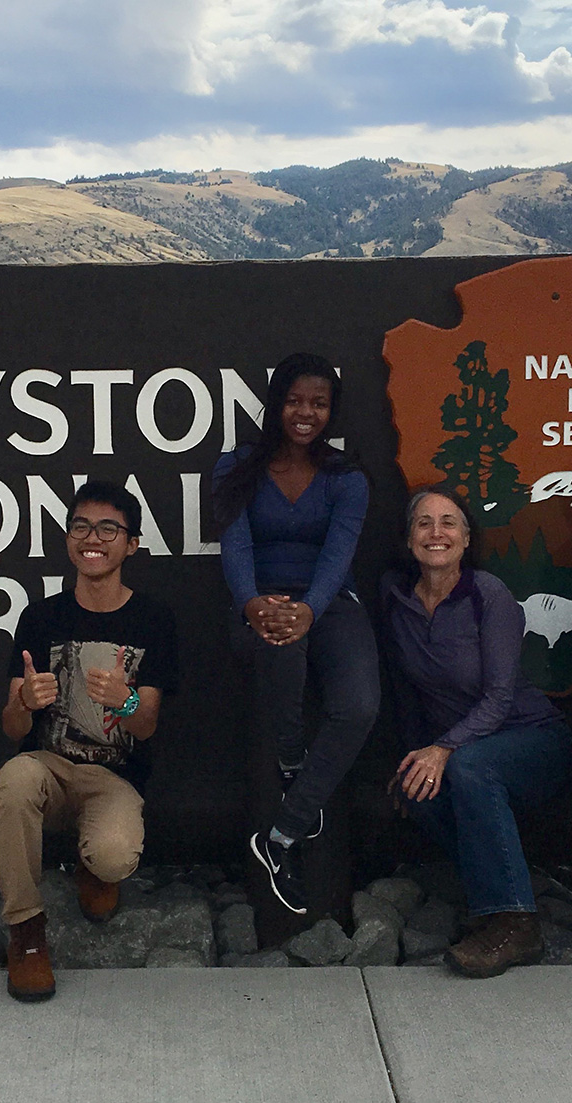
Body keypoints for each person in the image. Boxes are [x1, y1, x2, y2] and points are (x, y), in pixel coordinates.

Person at [0, 481, 179, 1002]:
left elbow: (146, 725)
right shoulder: (40, 617)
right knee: (13, 780)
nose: (91, 538)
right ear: (69, 538)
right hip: (48, 767)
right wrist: (23, 702)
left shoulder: (154, 619)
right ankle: (27, 932)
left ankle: (92, 865)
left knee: (115, 857)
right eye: (80, 526)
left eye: (107, 528)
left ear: (131, 544)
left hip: (113, 778)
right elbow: (12, 730)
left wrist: (123, 701)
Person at [381, 485, 572, 976]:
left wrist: (442, 750)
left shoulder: (488, 595)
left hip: (533, 739)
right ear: (408, 540)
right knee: (418, 794)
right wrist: (412, 757)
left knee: (468, 768)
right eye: (423, 523)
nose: (436, 532)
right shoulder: (397, 599)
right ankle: (509, 884)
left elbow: (500, 698)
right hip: (464, 750)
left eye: (449, 523)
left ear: (467, 539)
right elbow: (407, 692)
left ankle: (515, 923)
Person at [212, 352, 380, 915]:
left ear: (331, 411)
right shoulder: (236, 465)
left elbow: (338, 555)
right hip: (258, 604)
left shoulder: (347, 477)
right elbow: (234, 546)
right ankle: (290, 761)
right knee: (283, 640)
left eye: (318, 403)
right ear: (275, 403)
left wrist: (309, 608)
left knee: (358, 705)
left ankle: (283, 831)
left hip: (331, 605)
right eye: (294, 400)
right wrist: (253, 603)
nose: (305, 413)